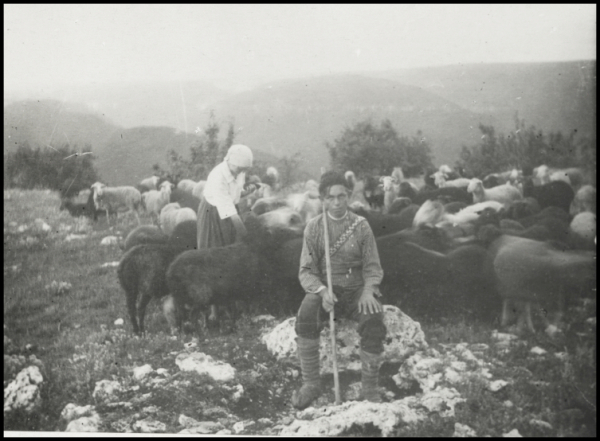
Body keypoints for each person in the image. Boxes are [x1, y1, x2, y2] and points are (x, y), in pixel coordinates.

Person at [292, 171, 387, 410]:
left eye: (341, 196)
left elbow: (373, 267)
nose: (336, 203)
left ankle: (369, 387)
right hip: (325, 290)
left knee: (373, 316)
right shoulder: (314, 228)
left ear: (349, 196)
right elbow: (306, 271)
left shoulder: (361, 226)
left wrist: (369, 291)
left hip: (356, 290)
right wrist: (323, 291)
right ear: (323, 199)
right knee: (305, 314)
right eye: (331, 197)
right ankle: (311, 384)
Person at [196, 144, 256, 250]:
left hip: (230, 209)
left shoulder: (238, 171)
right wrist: (247, 237)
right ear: (233, 164)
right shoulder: (218, 177)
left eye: (244, 169)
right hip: (213, 212)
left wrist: (248, 191)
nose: (242, 172)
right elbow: (230, 213)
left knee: (230, 241)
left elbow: (235, 192)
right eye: (241, 169)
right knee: (215, 247)